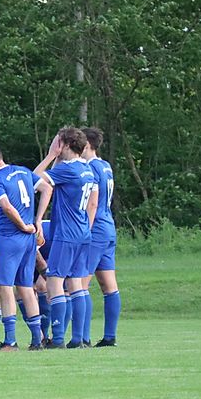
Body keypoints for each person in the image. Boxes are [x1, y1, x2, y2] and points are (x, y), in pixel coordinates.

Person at [0, 143, 51, 351]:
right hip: (29, 240)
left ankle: (10, 340)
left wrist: (23, 225)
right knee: (26, 287)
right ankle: (37, 339)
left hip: (10, 237)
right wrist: (38, 220)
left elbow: (7, 207)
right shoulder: (23, 171)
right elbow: (47, 188)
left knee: (4, 286)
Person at [34, 127, 98, 349]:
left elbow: (34, 179)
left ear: (67, 145)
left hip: (66, 234)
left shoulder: (68, 169)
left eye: (58, 142)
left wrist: (50, 155)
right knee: (76, 284)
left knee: (54, 281)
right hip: (83, 233)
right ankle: (78, 338)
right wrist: (57, 158)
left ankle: (58, 338)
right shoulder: (86, 168)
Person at [81, 127, 122, 347]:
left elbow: (92, 202)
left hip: (96, 228)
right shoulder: (105, 165)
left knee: (80, 284)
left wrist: (85, 229)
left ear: (87, 144)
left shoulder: (90, 168)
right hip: (108, 227)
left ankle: (83, 337)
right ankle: (109, 336)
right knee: (109, 285)